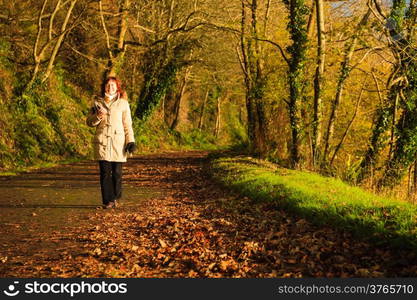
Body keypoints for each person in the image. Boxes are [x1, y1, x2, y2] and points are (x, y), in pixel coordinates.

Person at [86, 77, 136, 209]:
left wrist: (130, 140)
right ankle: (108, 201)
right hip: (102, 142)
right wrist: (98, 116)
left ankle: (115, 197)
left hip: (118, 143)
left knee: (117, 173)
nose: (110, 87)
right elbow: (89, 122)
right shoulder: (97, 102)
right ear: (104, 87)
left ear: (117, 87)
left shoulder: (123, 104)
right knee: (105, 173)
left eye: (113, 85)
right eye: (108, 85)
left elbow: (127, 124)